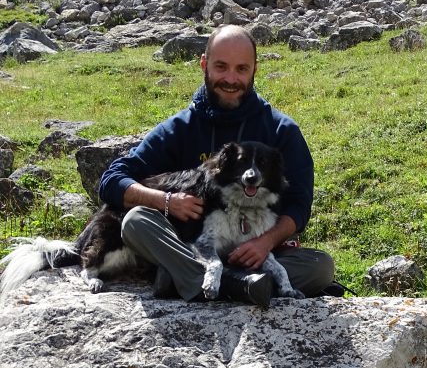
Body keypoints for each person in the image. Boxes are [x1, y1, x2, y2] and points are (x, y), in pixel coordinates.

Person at [98, 24, 337, 306]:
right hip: (191, 246)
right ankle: (235, 285)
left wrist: (266, 243)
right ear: (204, 64)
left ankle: (184, 279)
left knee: (320, 267)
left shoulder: (280, 130)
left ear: (255, 69)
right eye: (221, 67)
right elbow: (112, 180)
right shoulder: (180, 128)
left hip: (253, 252)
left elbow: (299, 205)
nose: (231, 78)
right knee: (135, 221)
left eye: (241, 69)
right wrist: (166, 201)